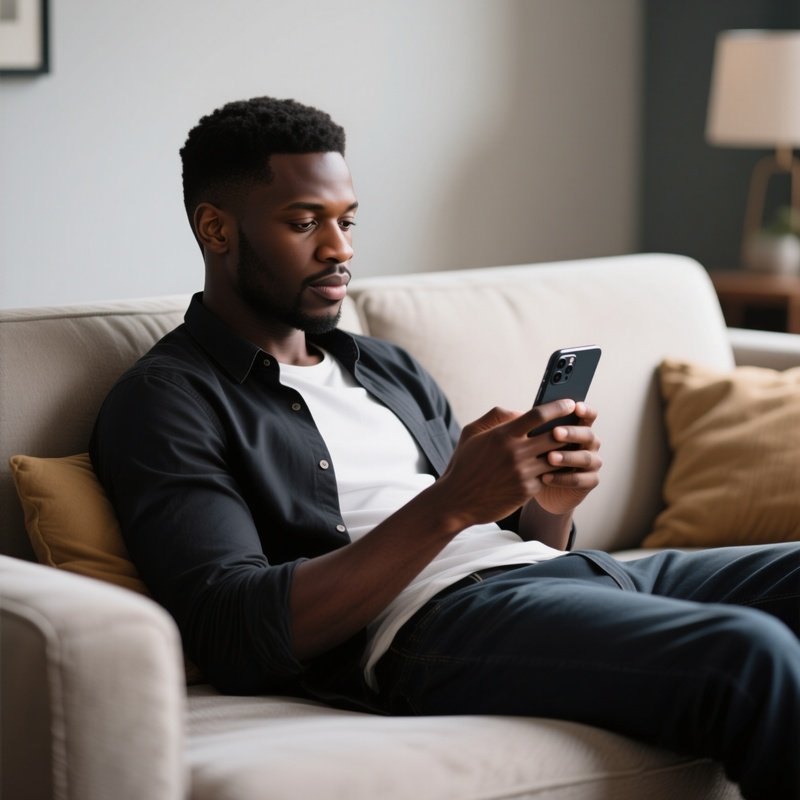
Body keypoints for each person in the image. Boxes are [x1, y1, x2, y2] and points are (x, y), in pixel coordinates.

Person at [89, 96, 799, 800]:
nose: (341, 249)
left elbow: (511, 545)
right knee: (749, 655)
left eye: (347, 220)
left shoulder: (386, 366)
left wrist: (544, 507)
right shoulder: (167, 401)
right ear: (216, 230)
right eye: (305, 223)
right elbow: (235, 631)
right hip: (424, 627)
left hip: (561, 577)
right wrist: (453, 503)